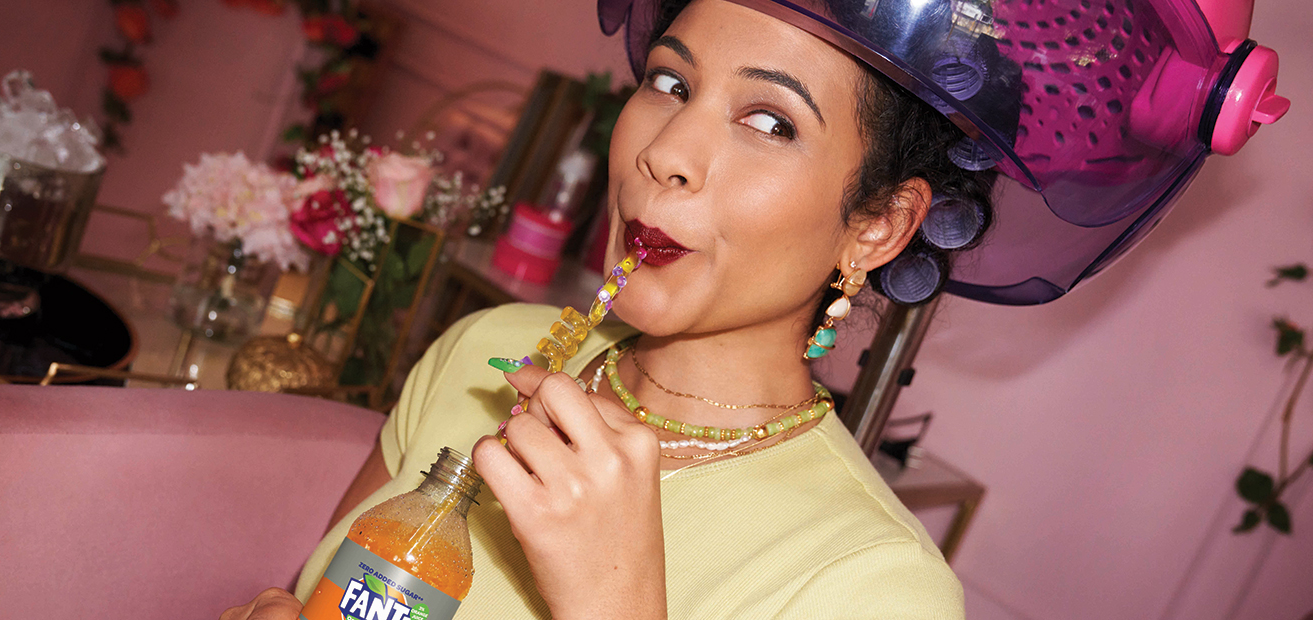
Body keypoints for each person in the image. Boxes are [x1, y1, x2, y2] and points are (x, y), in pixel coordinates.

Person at [220, 0, 998, 618]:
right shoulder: (484, 351)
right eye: (671, 84)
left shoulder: (877, 589)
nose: (666, 154)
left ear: (879, 225)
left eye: (771, 122)